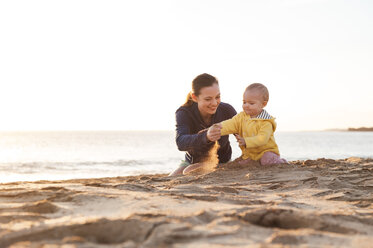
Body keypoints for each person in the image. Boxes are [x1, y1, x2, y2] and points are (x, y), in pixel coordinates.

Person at [169, 73, 237, 176]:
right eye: (208, 99)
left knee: (188, 171)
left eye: (217, 97)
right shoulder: (184, 112)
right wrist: (206, 136)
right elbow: (181, 142)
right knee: (174, 176)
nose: (214, 103)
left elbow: (245, 132)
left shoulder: (226, 110)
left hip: (223, 163)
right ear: (195, 97)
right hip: (192, 162)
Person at [209, 83, 287, 165]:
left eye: (251, 103)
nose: (246, 106)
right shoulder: (241, 117)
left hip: (266, 151)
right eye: (244, 102)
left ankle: (282, 162)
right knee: (241, 163)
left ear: (263, 104)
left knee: (266, 160)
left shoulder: (266, 122)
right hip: (250, 153)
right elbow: (230, 124)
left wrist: (246, 141)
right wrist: (217, 128)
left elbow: (262, 138)